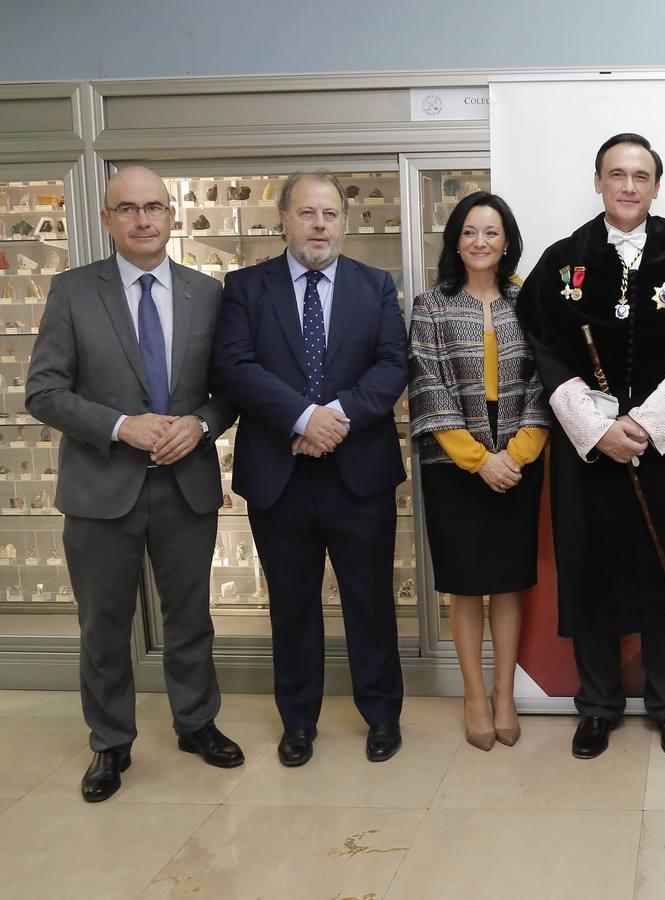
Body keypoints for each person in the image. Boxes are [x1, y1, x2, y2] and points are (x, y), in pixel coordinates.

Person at [516, 132, 665, 760]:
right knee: (591, 571)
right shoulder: (563, 261)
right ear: (598, 181)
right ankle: (598, 705)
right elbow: (546, 350)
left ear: (657, 186)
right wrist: (596, 429)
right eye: (617, 174)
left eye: (641, 175)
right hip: (588, 454)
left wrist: (649, 424)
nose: (629, 186)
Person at [26, 165, 242, 802]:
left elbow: (229, 391)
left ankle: (197, 722)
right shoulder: (71, 291)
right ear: (106, 219)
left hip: (186, 486)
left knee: (191, 618)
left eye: (154, 207)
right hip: (100, 489)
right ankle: (110, 741)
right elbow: (44, 392)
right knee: (103, 624)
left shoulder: (208, 294)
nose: (143, 219)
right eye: (128, 209)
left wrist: (201, 427)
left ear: (172, 216)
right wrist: (122, 426)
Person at [212, 171, 409, 767]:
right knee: (292, 605)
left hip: (360, 475)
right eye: (306, 213)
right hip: (281, 476)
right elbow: (234, 367)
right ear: (284, 220)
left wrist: (336, 417)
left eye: (329, 214)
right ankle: (298, 721)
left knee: (370, 601)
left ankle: (381, 716)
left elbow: (393, 364)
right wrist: (302, 418)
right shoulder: (246, 287)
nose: (318, 225)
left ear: (344, 224)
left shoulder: (374, 286)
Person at [408, 192, 549, 751]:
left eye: (491, 232)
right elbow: (427, 384)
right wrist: (477, 459)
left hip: (519, 455)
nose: (480, 242)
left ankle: (505, 693)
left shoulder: (530, 301)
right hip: (454, 462)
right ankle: (472, 695)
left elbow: (547, 381)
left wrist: (516, 453)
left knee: (509, 582)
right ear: (455, 241)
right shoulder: (431, 305)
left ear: (507, 240)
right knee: (465, 586)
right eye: (469, 232)